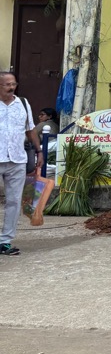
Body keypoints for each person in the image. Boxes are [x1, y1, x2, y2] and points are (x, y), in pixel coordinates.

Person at [1, 72, 39, 256]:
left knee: (14, 201)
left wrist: (39, 151)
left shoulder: (23, 104)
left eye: (13, 84)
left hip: (17, 159)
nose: (11, 87)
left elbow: (30, 129)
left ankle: (5, 242)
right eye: (7, 84)